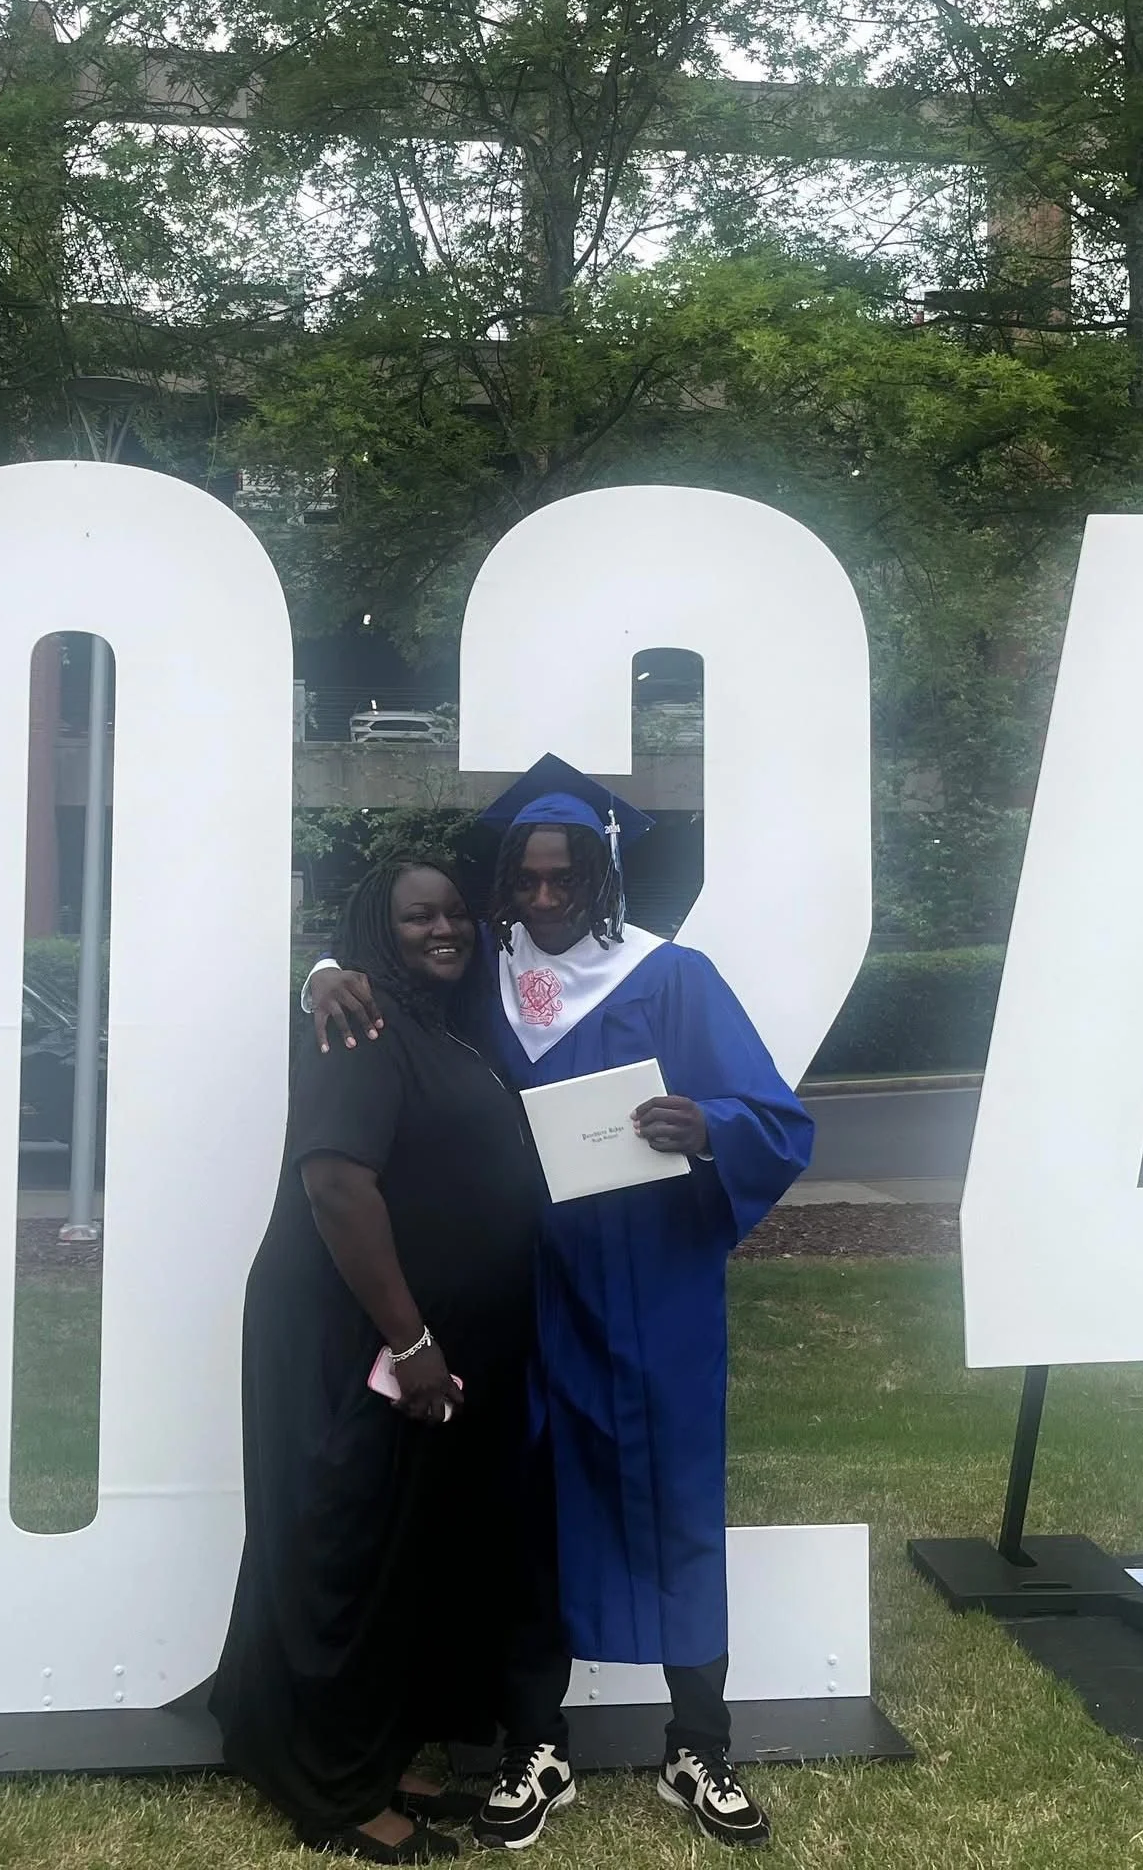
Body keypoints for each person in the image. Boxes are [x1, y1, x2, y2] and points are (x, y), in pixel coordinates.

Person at [307, 755, 814, 1850]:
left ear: (602, 877)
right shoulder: (481, 973)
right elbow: (388, 963)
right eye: (525, 880)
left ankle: (698, 1743)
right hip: (523, 1289)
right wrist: (318, 969)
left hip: (649, 1284)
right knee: (526, 1515)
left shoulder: (670, 978)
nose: (542, 899)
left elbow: (775, 1115)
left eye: (565, 878)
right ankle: (536, 1740)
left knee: (674, 1501)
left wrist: (707, 1123)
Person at [213, 859, 549, 1864]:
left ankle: (369, 1745)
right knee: (341, 1543)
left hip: (418, 1343)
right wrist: (408, 1338)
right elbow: (336, 1188)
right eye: (417, 914)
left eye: (453, 911)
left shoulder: (438, 1024)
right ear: (375, 927)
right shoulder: (352, 1023)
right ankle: (328, 1785)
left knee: (398, 1550)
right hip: (348, 1333)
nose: (442, 926)